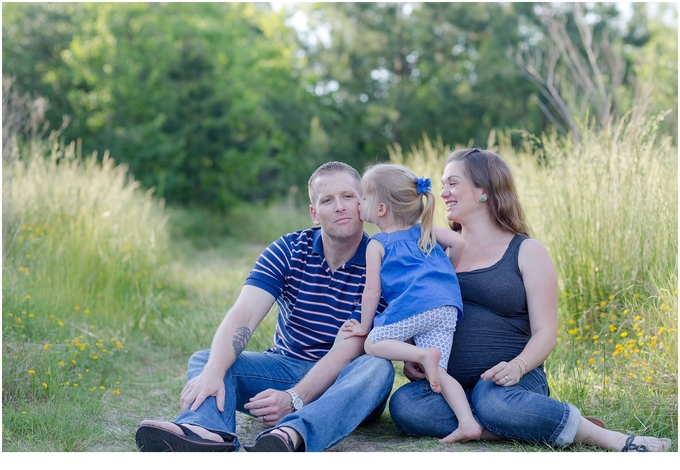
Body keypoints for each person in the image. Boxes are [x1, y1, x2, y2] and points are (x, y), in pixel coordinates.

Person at [388, 148, 672, 452]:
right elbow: (427, 315)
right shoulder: (439, 252)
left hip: (513, 382)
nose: (443, 193)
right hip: (450, 387)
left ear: (484, 190)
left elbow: (546, 332)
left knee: (493, 399)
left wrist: (519, 366)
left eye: (453, 184)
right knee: (405, 404)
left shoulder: (527, 251)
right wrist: (415, 357)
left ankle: (613, 439)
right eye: (443, 185)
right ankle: (539, 423)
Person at [135, 161, 395, 452]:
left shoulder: (383, 263)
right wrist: (213, 371)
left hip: (345, 381)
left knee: (377, 368)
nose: (340, 207)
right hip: (285, 366)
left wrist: (295, 398)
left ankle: (289, 436)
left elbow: (350, 346)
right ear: (314, 213)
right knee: (208, 360)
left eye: (348, 196)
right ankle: (205, 431)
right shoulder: (288, 249)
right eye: (327, 200)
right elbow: (244, 314)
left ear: (363, 203)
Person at [342, 163, 482, 443]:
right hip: (447, 307)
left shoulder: (377, 244)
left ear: (381, 209)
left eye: (364, 197)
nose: (359, 202)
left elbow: (371, 293)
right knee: (439, 370)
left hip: (418, 307)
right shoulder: (425, 230)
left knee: (372, 342)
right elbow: (458, 242)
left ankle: (420, 355)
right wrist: (445, 276)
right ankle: (468, 423)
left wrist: (363, 326)